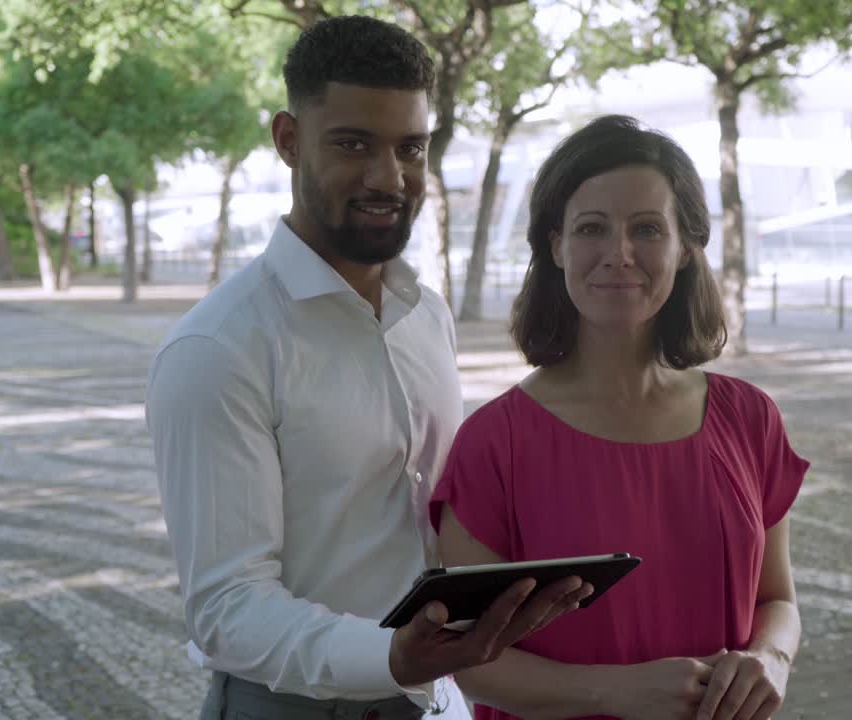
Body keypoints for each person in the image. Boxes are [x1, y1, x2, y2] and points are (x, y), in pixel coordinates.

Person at [146, 16, 591, 720]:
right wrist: (388, 654)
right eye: (354, 144)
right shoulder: (217, 351)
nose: (390, 177)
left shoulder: (429, 317)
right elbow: (227, 609)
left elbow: (435, 524)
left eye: (410, 147)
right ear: (288, 140)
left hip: (438, 702)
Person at [430, 115, 808, 720]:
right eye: (591, 228)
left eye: (647, 229)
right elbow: (469, 658)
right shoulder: (494, 443)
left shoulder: (751, 419)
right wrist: (614, 692)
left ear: (686, 247)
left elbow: (777, 600)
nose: (619, 254)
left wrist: (771, 658)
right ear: (555, 246)